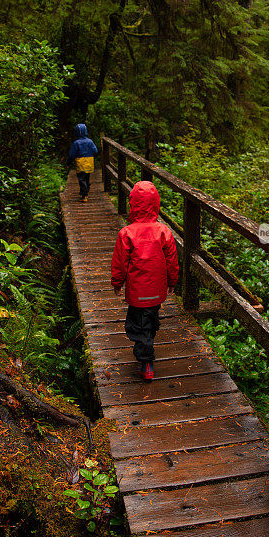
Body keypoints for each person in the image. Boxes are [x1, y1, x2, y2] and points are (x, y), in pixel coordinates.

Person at [111, 181, 179, 381]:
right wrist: (172, 281)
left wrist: (117, 282)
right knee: (149, 318)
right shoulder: (163, 232)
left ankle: (146, 361)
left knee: (137, 324)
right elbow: (172, 261)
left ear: (133, 204)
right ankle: (147, 344)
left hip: (136, 291)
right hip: (156, 291)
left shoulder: (127, 233)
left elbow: (120, 262)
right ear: (156, 204)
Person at [66, 123, 99, 202]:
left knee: (81, 178)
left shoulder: (76, 143)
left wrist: (68, 163)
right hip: (89, 162)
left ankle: (84, 194)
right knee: (87, 177)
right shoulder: (90, 142)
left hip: (80, 163)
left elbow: (71, 155)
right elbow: (96, 151)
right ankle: (86, 191)